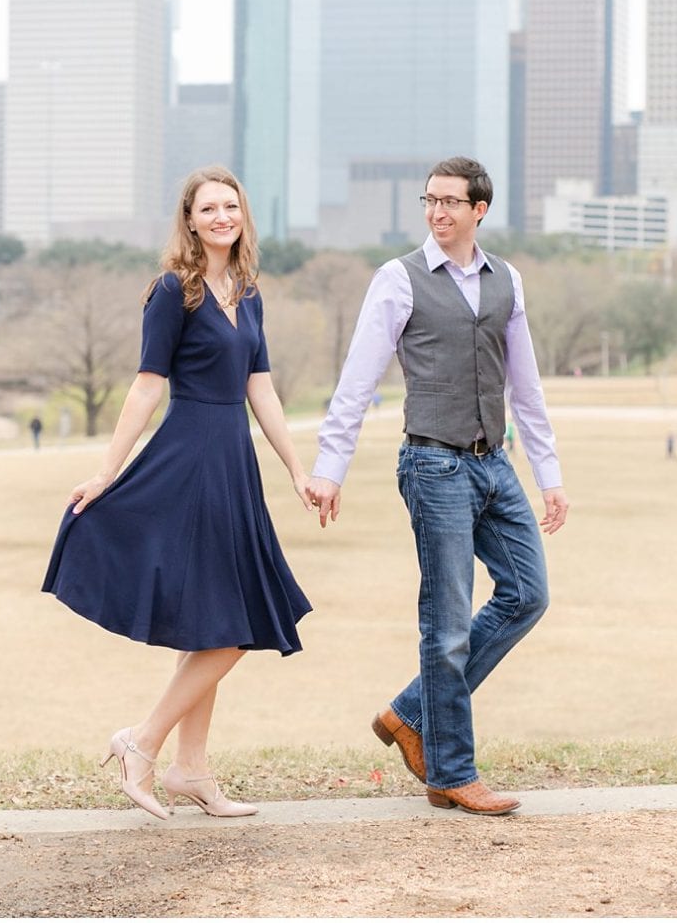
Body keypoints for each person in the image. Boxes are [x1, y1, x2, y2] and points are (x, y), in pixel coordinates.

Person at [42, 166, 313, 820]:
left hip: (233, 465)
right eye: (209, 208)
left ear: (243, 214)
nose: (222, 216)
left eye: (231, 206)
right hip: (188, 459)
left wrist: (298, 471)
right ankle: (143, 743)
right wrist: (108, 471)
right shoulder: (173, 291)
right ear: (189, 221)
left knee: (218, 620)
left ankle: (191, 770)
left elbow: (262, 389)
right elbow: (146, 385)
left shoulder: (248, 292)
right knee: (229, 625)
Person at [305, 156, 568, 817]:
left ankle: (410, 714)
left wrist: (549, 475)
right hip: (433, 464)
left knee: (528, 594)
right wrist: (329, 469)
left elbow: (526, 388)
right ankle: (452, 771)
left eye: (451, 202)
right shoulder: (398, 280)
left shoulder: (507, 280)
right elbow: (357, 381)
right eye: (430, 201)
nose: (438, 212)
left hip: (492, 463)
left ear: (480, 209)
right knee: (447, 624)